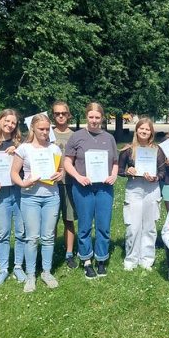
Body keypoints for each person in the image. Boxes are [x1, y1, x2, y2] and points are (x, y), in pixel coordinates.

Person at [64, 102, 119, 279]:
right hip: (83, 187)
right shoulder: (77, 137)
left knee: (103, 225)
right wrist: (78, 176)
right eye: (91, 117)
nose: (94, 120)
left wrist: (113, 175)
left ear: (102, 118)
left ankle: (101, 259)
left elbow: (115, 162)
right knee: (85, 225)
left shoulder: (109, 138)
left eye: (97, 117)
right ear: (86, 116)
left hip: (104, 188)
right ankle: (86, 260)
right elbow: (67, 162)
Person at [11, 114, 63, 292]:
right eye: (41, 129)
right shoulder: (24, 149)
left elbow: (60, 169)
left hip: (51, 197)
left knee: (48, 237)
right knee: (32, 238)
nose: (45, 132)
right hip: (30, 197)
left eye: (47, 129)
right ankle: (31, 274)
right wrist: (23, 183)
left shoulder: (54, 149)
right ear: (32, 128)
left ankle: (46, 272)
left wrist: (60, 175)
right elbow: (14, 173)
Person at [0, 109, 26, 285]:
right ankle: (3, 269)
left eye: (13, 122)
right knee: (2, 233)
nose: (9, 125)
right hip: (0, 195)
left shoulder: (22, 144)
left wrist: (18, 150)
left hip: (19, 193)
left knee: (21, 232)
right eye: (7, 121)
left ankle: (18, 266)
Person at [118, 118, 165, 270]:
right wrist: (127, 171)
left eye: (147, 129)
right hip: (134, 189)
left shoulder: (157, 150)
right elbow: (119, 170)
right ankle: (131, 259)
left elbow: (162, 172)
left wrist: (155, 177)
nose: (144, 131)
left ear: (151, 132)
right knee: (133, 226)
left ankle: (147, 259)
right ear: (136, 130)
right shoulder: (127, 149)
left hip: (152, 189)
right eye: (141, 128)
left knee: (149, 227)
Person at [51, 100, 77, 269]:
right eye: (57, 113)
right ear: (53, 115)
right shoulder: (47, 133)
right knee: (50, 221)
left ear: (69, 115)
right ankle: (50, 253)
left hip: (69, 183)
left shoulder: (75, 136)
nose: (60, 116)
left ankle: (69, 254)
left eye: (63, 113)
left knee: (69, 219)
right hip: (50, 184)